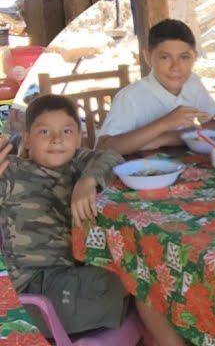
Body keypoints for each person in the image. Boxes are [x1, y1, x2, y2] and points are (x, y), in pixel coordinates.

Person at [0, 95, 186, 344]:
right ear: (26, 138)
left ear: (78, 138)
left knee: (155, 267)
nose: (57, 139)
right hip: (40, 295)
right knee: (145, 276)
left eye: (66, 131)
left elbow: (110, 156)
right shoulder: (12, 173)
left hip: (74, 279)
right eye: (44, 131)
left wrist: (87, 181)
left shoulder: (77, 162)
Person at [96, 19, 215, 156]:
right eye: (165, 57)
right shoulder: (130, 97)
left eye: (184, 57)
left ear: (194, 57)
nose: (176, 67)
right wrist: (164, 124)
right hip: (144, 173)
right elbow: (102, 148)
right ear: (148, 57)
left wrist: (164, 138)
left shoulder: (192, 84)